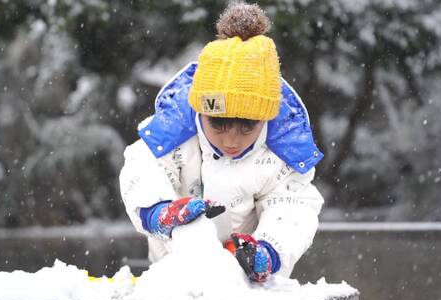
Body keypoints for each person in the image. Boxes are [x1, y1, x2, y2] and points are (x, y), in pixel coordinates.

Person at [120, 2, 324, 283]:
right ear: (200, 110)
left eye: (247, 126)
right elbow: (141, 168)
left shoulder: (279, 155)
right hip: (172, 278)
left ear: (265, 118)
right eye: (218, 123)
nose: (231, 139)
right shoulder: (175, 139)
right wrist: (159, 212)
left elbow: (293, 206)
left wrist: (268, 249)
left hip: (245, 285)